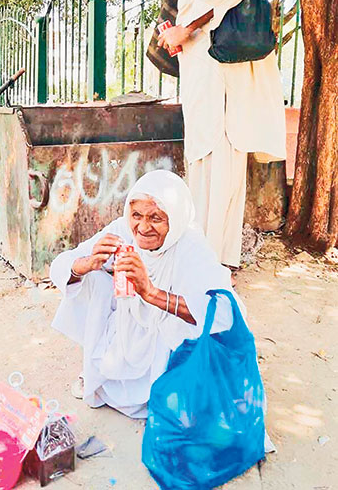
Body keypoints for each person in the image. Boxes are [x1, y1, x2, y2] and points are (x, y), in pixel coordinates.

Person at [50, 170, 240, 418]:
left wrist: (151, 293)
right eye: (136, 215)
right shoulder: (122, 230)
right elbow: (60, 265)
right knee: (92, 279)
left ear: (175, 218)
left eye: (156, 218)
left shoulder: (191, 247)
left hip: (166, 337)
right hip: (127, 330)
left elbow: (225, 313)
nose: (143, 227)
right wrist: (87, 263)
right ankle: (102, 373)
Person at [158, 0, 286, 269]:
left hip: (214, 76)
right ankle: (217, 262)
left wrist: (185, 28)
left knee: (212, 166)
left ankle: (206, 264)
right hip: (219, 73)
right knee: (219, 168)